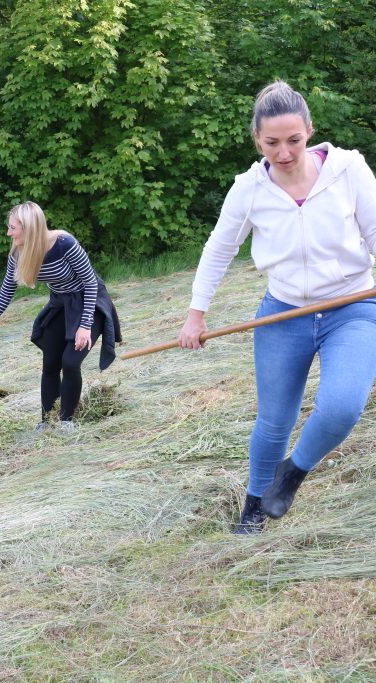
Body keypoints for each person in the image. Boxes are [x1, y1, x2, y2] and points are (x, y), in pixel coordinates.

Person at [179, 80, 376, 534]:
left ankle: (294, 472)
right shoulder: (249, 189)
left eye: (294, 140)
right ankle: (254, 503)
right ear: (257, 140)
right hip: (283, 312)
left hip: (353, 306)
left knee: (343, 405)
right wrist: (196, 312)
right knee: (274, 420)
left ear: (309, 130)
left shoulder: (348, 171)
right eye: (272, 143)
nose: (284, 152)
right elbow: (218, 249)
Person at [0, 201, 121, 431]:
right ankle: (47, 422)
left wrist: (85, 326)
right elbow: (5, 292)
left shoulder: (64, 244)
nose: (8, 233)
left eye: (12, 228)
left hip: (89, 302)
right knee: (50, 362)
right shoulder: (19, 253)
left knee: (70, 362)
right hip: (60, 304)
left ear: (28, 228)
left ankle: (66, 422)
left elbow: (89, 282)